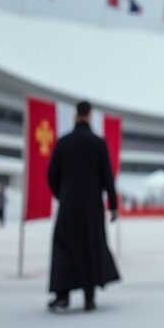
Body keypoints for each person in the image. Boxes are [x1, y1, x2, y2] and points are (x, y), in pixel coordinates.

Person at [46, 100, 120, 312]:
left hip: (69, 203)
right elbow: (108, 177)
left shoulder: (63, 142)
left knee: (64, 246)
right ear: (89, 115)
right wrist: (113, 205)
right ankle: (89, 297)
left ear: (75, 115)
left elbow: (51, 175)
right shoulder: (98, 143)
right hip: (92, 206)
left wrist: (63, 195)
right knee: (90, 247)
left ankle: (62, 295)